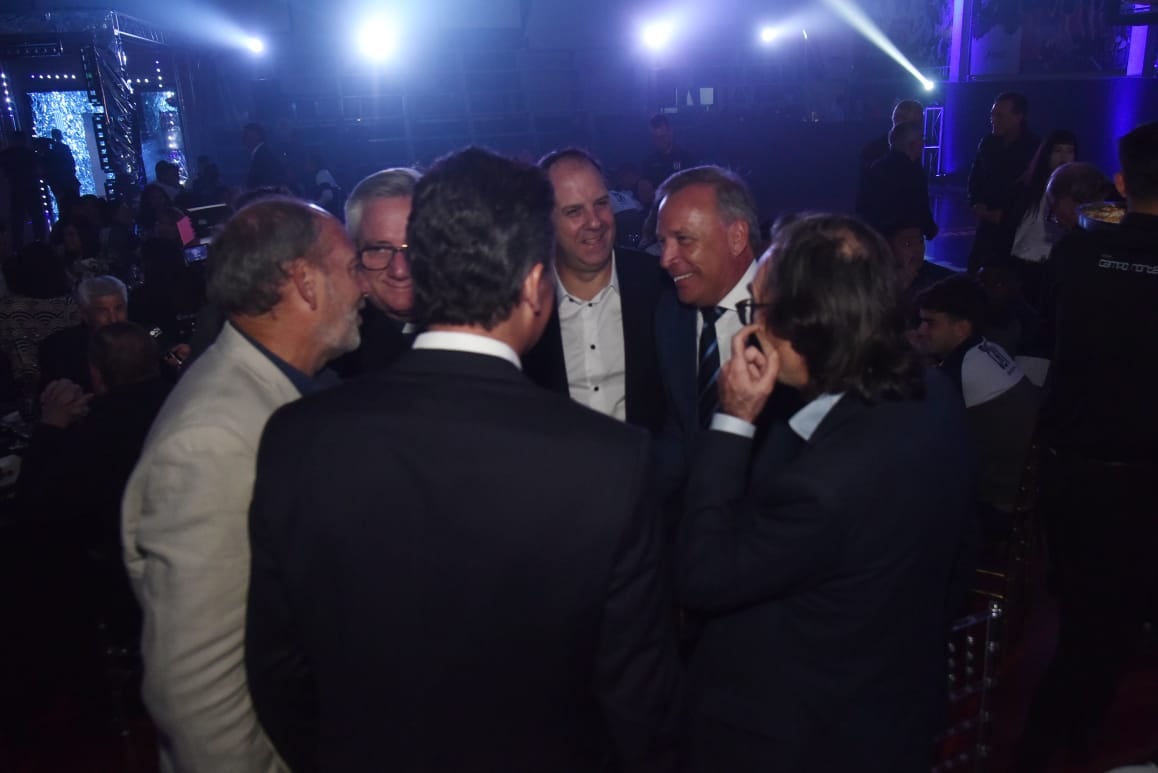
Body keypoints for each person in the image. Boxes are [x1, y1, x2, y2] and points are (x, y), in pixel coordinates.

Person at [245, 147, 683, 773]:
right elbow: (639, 705)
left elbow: (278, 671)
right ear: (536, 286)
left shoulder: (296, 438)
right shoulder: (609, 465)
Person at [676, 213, 975, 773]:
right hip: (894, 705)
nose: (752, 329)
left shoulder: (828, 484)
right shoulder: (932, 392)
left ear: (806, 325)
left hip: (806, 735)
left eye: (757, 310)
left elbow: (702, 575)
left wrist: (734, 419)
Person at [121, 198, 366, 773]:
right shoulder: (210, 440)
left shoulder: (274, 393)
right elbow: (197, 693)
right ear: (305, 284)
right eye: (352, 269)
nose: (365, 288)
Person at [1017, 121, 1158, 772]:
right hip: (1139, 474)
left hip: (1069, 463)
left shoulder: (1077, 252)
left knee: (1077, 612)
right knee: (1114, 620)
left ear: (1125, 182)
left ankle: (1048, 740)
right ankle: (1072, 733)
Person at [653, 165, 801, 515]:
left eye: (683, 239)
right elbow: (681, 431)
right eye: (662, 242)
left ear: (737, 237)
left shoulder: (794, 313)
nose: (665, 259)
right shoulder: (669, 314)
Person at [522, 148, 665, 431]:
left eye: (601, 203)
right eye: (574, 211)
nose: (595, 222)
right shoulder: (522, 303)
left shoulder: (658, 283)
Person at [914, 275, 1039, 516]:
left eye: (930, 323)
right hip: (1021, 489)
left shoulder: (958, 372)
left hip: (995, 501)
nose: (920, 331)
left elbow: (917, 433)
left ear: (961, 328)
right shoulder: (988, 349)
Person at [328, 167, 422, 378]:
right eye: (379, 249)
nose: (400, 269)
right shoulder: (335, 356)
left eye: (415, 246)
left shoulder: (484, 330)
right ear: (353, 256)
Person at [967, 92, 1040, 273]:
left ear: (1018, 116)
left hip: (1017, 234)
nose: (993, 119)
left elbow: (1033, 191)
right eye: (993, 114)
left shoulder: (1034, 149)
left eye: (999, 115)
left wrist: (1007, 215)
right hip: (986, 229)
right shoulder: (987, 143)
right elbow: (975, 176)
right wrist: (976, 202)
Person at [1008, 130, 1076, 304]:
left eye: (1069, 151)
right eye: (1058, 150)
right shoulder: (1027, 187)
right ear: (1047, 153)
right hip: (1022, 260)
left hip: (1053, 265)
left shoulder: (1077, 192)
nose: (1064, 156)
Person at [38, 275, 128, 393]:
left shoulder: (146, 335)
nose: (113, 319)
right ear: (85, 314)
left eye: (118, 308)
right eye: (102, 311)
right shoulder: (58, 348)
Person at [857, 121, 937, 240]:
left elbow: (863, 204)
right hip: (905, 236)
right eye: (921, 139)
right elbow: (918, 204)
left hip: (880, 235)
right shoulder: (913, 172)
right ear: (912, 144)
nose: (923, 144)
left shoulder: (877, 167)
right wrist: (929, 228)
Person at [0, 132, 46, 249]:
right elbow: (38, 170)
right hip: (30, 189)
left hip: (16, 189)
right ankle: (40, 242)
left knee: (18, 220)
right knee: (35, 217)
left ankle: (18, 246)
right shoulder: (29, 154)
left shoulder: (7, 154)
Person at [858, 98, 924, 174]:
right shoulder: (875, 152)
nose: (920, 127)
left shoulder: (914, 157)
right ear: (902, 122)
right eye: (917, 123)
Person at [642, 113, 697, 188]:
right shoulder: (648, 162)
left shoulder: (686, 158)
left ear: (670, 133)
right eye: (656, 138)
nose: (660, 141)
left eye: (662, 137)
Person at [243, 123, 284, 190]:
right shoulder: (260, 153)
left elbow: (265, 181)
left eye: (247, 135)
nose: (244, 138)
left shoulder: (263, 155)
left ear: (258, 136)